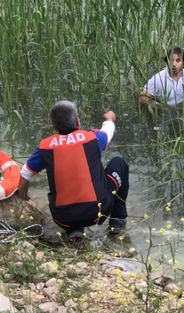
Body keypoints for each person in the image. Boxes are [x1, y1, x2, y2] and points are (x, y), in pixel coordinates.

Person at [17, 101, 129, 241]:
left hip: (62, 218)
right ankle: (117, 220)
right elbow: (108, 131)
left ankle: (74, 229)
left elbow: (24, 175)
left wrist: (23, 200)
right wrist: (110, 119)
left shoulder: (44, 147)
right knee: (118, 163)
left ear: (54, 125)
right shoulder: (93, 138)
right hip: (97, 213)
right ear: (77, 121)